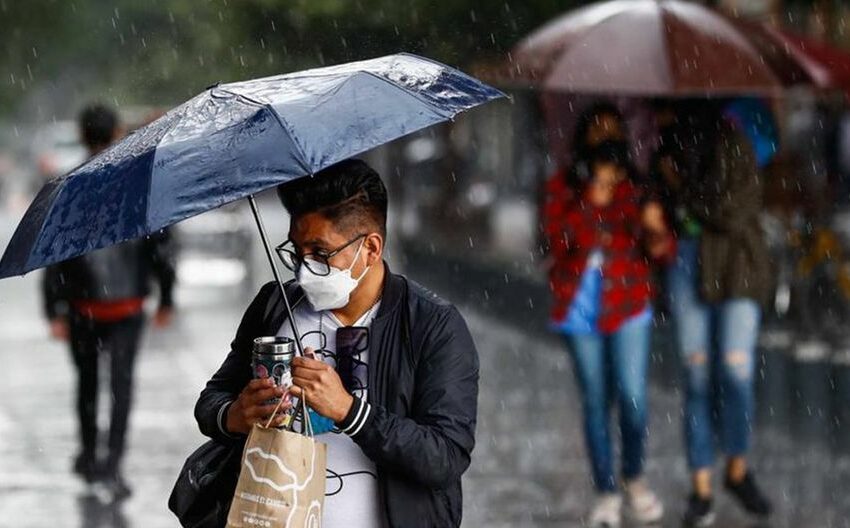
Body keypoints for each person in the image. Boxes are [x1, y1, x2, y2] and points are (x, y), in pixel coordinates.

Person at [194, 159, 480, 527]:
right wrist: (233, 416)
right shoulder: (275, 305)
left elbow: (445, 456)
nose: (303, 268)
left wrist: (350, 411)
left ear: (371, 248)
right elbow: (212, 400)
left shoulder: (432, 325)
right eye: (296, 252)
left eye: (319, 252)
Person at [42, 103, 176, 499]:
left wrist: (54, 308)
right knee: (121, 386)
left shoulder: (69, 185)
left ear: (82, 136)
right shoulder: (136, 183)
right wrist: (166, 296)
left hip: (84, 307)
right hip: (128, 306)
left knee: (86, 384)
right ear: (118, 132)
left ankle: (88, 453)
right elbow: (160, 248)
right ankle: (113, 464)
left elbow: (55, 254)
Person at [543, 140, 673, 528]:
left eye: (611, 171)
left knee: (633, 397)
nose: (606, 179)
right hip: (580, 312)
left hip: (629, 306)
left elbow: (663, 252)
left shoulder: (636, 198)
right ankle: (606, 491)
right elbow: (559, 242)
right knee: (596, 402)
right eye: (599, 170)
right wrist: (586, 204)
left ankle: (634, 477)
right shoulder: (569, 195)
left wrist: (654, 229)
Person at [657, 101, 774, 527]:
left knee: (736, 371)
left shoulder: (734, 142)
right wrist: (669, 194)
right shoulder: (666, 148)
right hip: (688, 266)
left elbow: (734, 211)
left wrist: (684, 196)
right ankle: (702, 486)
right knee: (696, 376)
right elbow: (659, 211)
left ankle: (738, 469)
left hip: (737, 267)